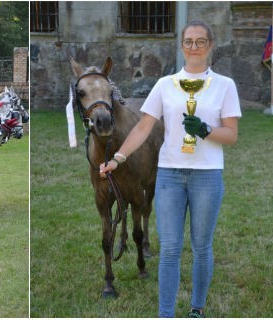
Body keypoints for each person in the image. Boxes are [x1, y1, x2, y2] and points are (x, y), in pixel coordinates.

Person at [99, 20, 241, 318]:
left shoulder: (225, 86)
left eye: (200, 41)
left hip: (207, 176)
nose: (194, 46)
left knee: (201, 247)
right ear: (181, 46)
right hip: (169, 178)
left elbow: (231, 134)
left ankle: (197, 309)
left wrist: (204, 130)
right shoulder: (166, 85)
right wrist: (118, 159)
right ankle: (166, 314)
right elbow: (142, 128)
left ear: (210, 45)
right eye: (188, 41)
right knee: (171, 249)